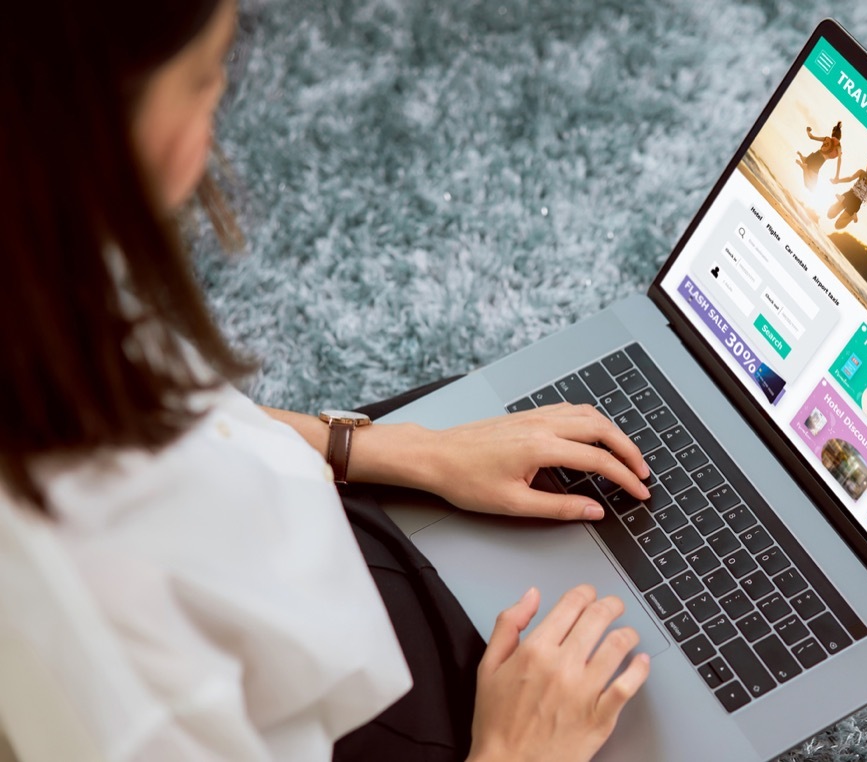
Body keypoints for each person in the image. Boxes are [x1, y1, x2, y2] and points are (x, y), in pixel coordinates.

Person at [2, 1, 867, 760]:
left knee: (835, 325)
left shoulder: (30, 291)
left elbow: (147, 418)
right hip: (451, 718)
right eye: (211, 78)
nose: (214, 135)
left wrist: (382, 447)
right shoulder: (101, 683)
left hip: (376, 516)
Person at [0, 2, 652, 761]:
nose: (218, 109)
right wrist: (513, 752)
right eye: (211, 75)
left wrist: (392, 449)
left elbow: (170, 414)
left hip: (306, 584)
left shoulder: (38, 274)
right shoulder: (114, 667)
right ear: (106, 129)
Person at [796, 121, 843, 189]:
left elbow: (811, 137)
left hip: (813, 155)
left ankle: (803, 159)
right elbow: (839, 159)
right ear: (839, 135)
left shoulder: (827, 138)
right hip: (820, 161)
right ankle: (804, 168)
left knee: (808, 170)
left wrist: (808, 131)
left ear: (833, 132)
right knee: (811, 187)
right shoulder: (838, 146)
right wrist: (837, 175)